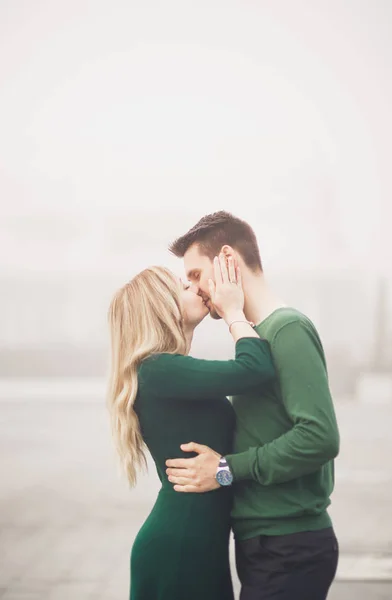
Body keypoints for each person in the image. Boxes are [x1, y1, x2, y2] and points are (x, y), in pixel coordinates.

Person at [166, 211, 340, 600]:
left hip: (290, 545)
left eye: (195, 275)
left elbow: (320, 437)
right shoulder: (257, 338)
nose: (195, 289)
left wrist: (225, 470)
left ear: (227, 259)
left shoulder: (287, 329)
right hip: (265, 543)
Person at [107, 256, 276, 600]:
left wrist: (227, 471)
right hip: (181, 548)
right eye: (183, 287)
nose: (196, 287)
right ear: (162, 308)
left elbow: (218, 471)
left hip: (198, 543)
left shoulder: (166, 372)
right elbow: (255, 368)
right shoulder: (158, 370)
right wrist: (233, 312)